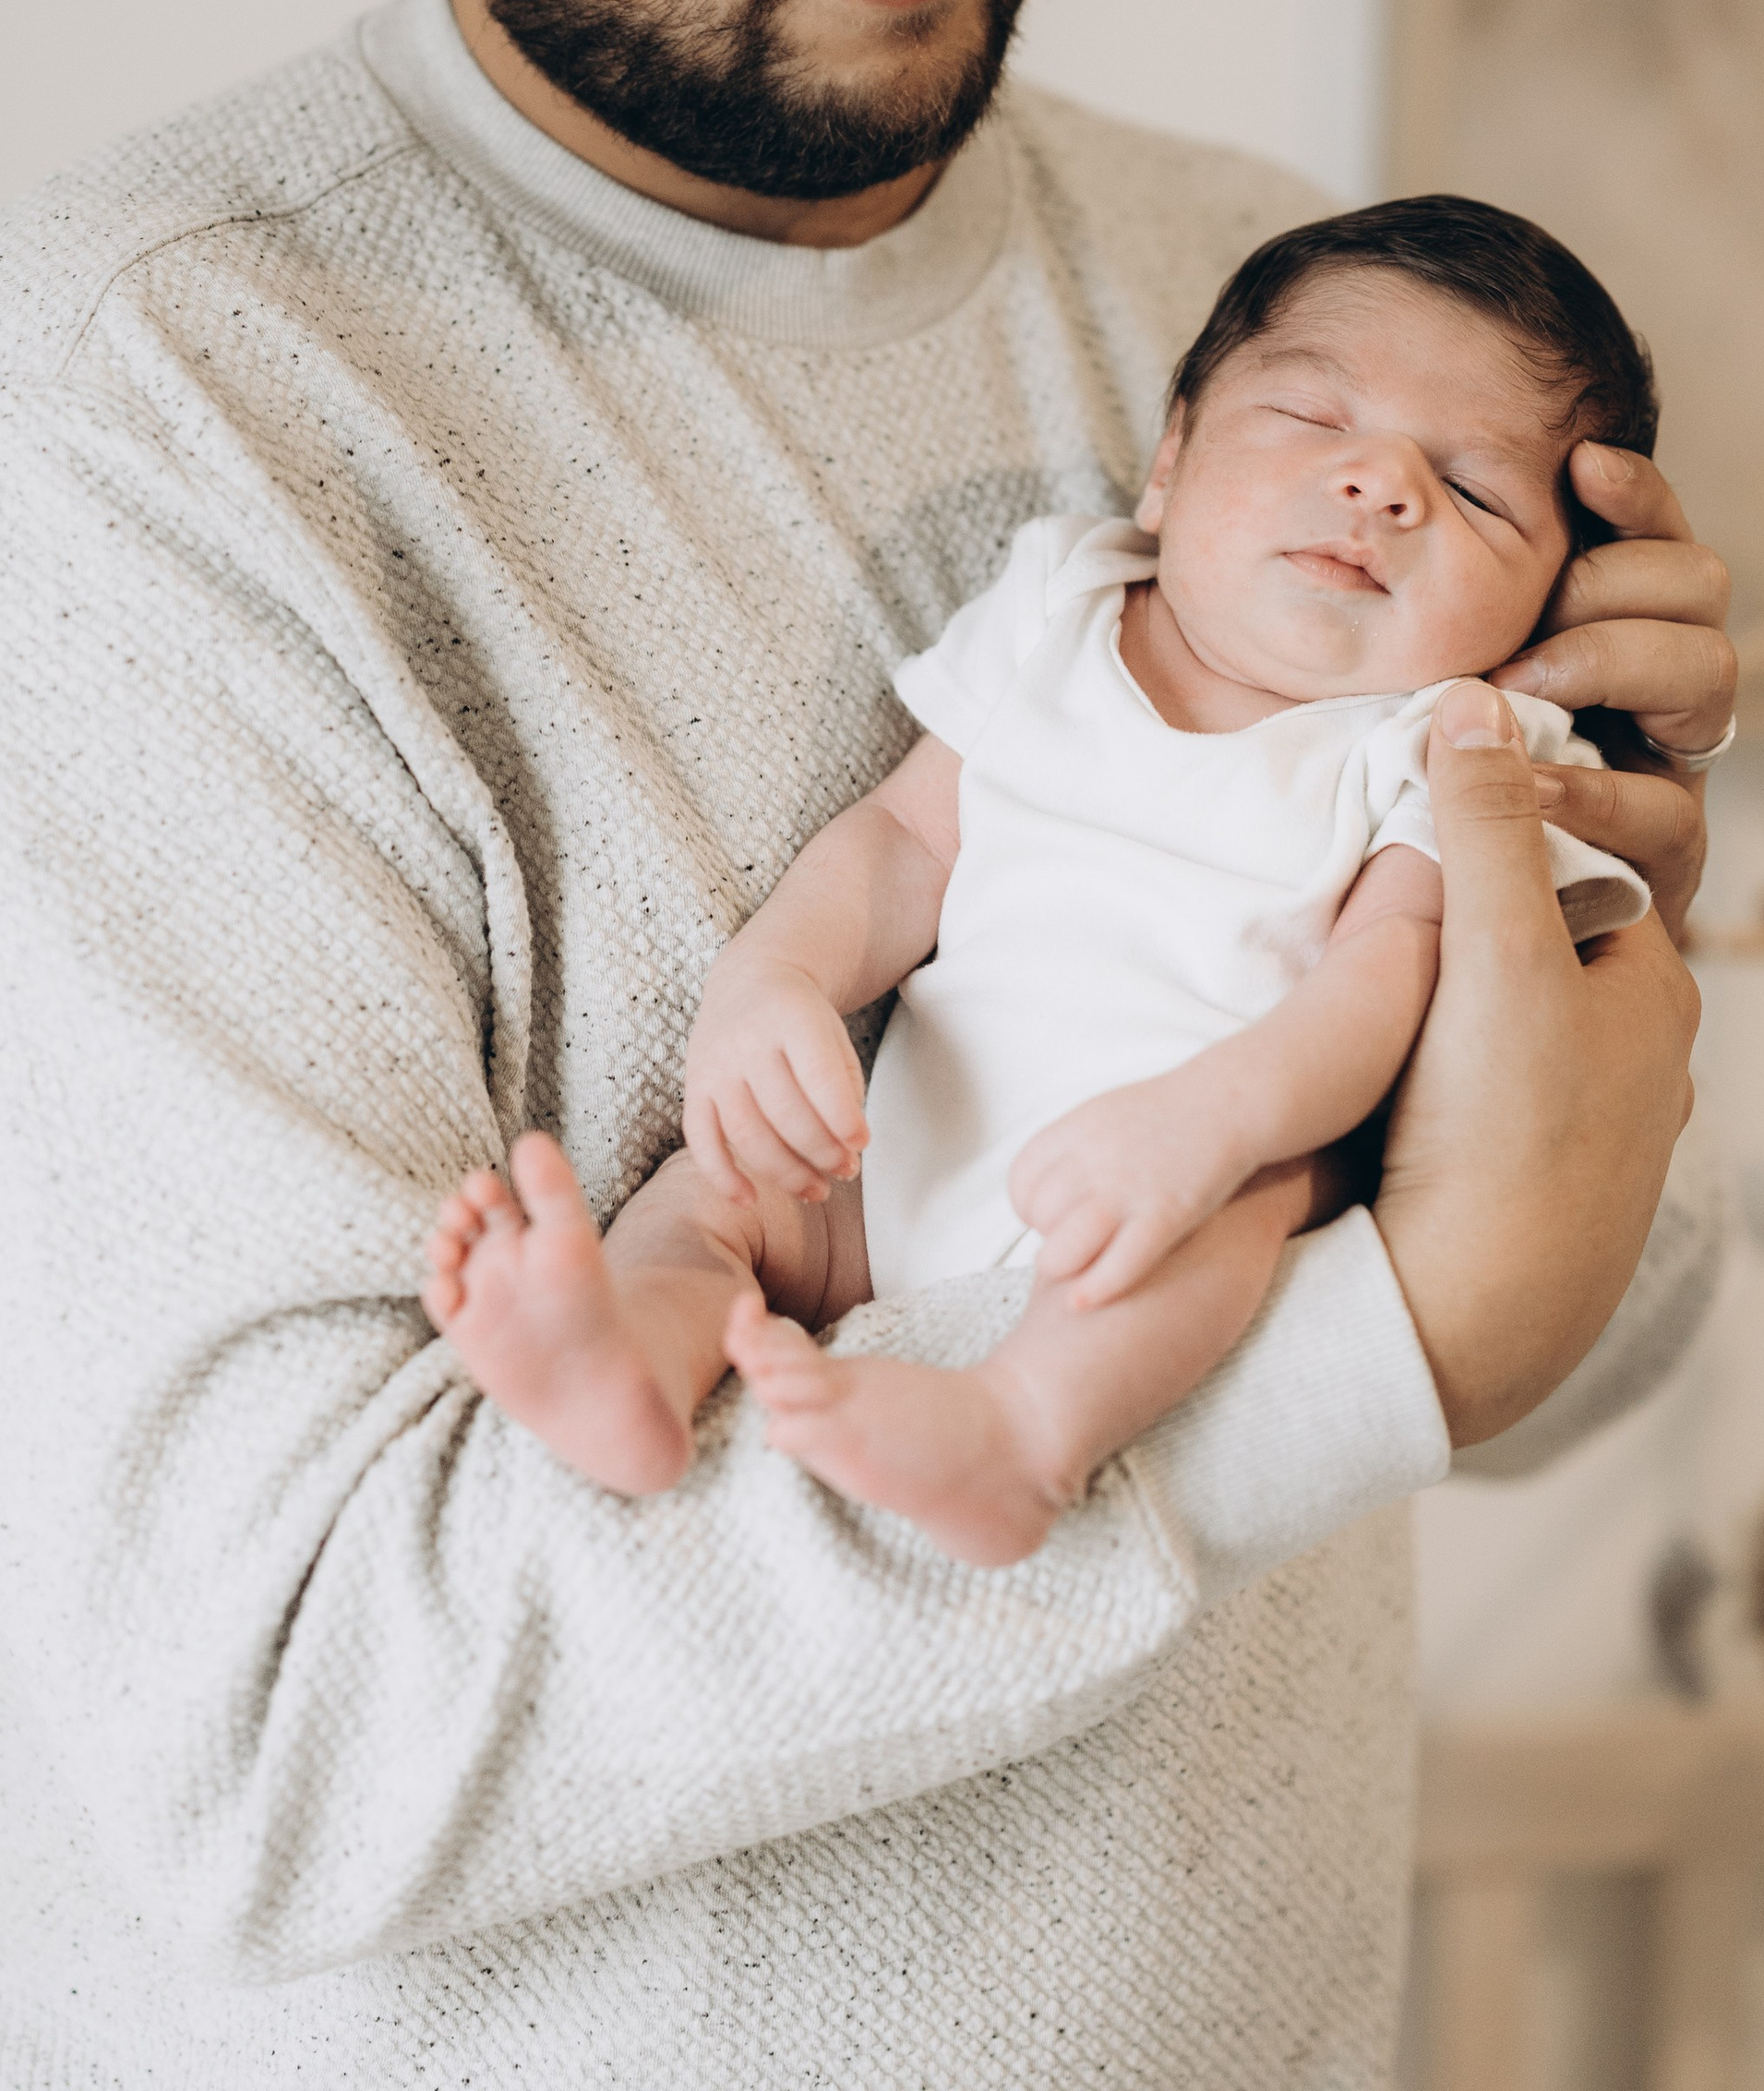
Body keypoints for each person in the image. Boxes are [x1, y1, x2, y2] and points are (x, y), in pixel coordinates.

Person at [0, 0, 1734, 2091]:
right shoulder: (142, 422)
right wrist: (1336, 1360)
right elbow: (283, 1741)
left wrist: (1610, 918)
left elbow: (1593, 1317)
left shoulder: (1291, 332)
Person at [424, 194, 1661, 1567]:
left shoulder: (1451, 745)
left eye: (1475, 491)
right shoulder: (1058, 609)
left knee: (1261, 1200)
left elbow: (1384, 984)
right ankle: (633, 1358)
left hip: (1179, 1174)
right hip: (881, 1172)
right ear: (1171, 462)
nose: (1380, 485)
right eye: (1314, 418)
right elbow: (904, 842)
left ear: (1550, 611)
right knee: (717, 1194)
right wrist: (773, 982)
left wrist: (1213, 1121)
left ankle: (1024, 1431)